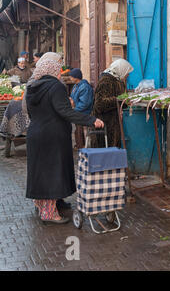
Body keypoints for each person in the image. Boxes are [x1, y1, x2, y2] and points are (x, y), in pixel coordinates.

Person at [26, 53, 104, 224]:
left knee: (42, 172)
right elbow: (65, 112)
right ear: (52, 70)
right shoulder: (56, 86)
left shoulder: (32, 86)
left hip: (36, 134)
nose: (61, 73)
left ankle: (47, 204)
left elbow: (35, 111)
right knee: (52, 172)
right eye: (58, 70)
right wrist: (91, 120)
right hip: (52, 136)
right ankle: (49, 213)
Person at [92, 59, 133, 148]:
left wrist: (125, 102)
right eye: (127, 72)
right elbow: (99, 104)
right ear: (121, 69)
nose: (128, 75)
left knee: (113, 151)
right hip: (104, 123)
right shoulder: (106, 81)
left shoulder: (118, 80)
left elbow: (120, 99)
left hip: (114, 123)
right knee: (105, 151)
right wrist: (120, 100)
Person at [69, 68, 94, 148]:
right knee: (77, 130)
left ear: (76, 77)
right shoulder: (76, 86)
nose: (70, 78)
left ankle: (83, 146)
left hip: (83, 113)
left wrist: (73, 108)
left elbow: (84, 104)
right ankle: (79, 145)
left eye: (71, 76)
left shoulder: (84, 87)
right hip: (77, 111)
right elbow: (73, 98)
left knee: (80, 130)